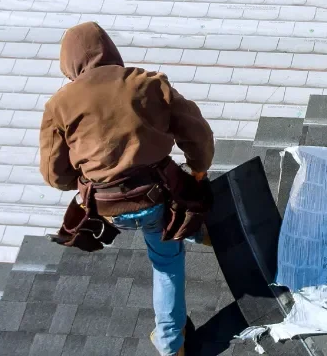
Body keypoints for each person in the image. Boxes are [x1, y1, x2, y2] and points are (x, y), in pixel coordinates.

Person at [39, 22, 214, 356]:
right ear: (110, 50)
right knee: (166, 263)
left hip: (107, 208)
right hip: (157, 198)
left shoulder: (58, 106)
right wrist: (199, 167)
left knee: (163, 234)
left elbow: (55, 176)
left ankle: (193, 231)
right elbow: (198, 135)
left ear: (69, 63)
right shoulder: (146, 83)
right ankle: (170, 344)